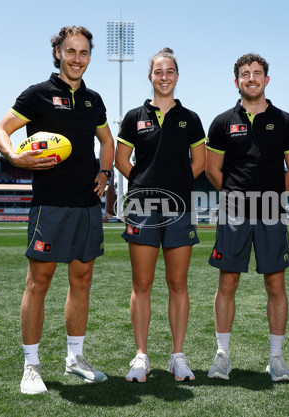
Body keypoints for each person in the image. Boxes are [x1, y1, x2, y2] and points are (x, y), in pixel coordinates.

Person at [0, 25, 115, 395]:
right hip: (50, 204)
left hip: (87, 205)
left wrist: (105, 173)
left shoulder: (94, 100)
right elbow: (1, 130)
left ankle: (74, 358)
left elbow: (107, 140)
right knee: (39, 282)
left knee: (82, 281)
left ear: (89, 57)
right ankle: (31, 366)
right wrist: (14, 156)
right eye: (71, 51)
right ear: (58, 53)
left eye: (84, 52)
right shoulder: (37, 94)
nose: (77, 59)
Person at [205, 53, 289, 382]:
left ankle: (276, 358)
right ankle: (222, 355)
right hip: (233, 213)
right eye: (245, 74)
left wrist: (268, 199)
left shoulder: (286, 121)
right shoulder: (221, 122)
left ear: (266, 80)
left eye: (257, 73)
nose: (251, 78)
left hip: (271, 213)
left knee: (275, 284)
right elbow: (212, 170)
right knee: (227, 282)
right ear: (237, 81)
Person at [114, 48, 206, 383]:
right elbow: (121, 160)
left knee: (178, 283)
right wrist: (142, 184)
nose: (164, 77)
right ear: (150, 76)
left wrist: (176, 186)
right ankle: (141, 356)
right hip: (141, 207)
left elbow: (200, 163)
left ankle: (177, 357)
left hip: (179, 207)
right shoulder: (134, 116)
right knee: (141, 283)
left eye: (170, 71)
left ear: (177, 76)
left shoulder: (191, 118)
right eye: (158, 71)